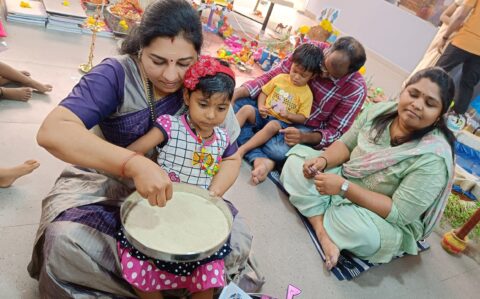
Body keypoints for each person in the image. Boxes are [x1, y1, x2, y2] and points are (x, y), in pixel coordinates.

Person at [28, 1, 255, 298]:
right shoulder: (115, 74)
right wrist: (134, 164)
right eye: (158, 61)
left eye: (184, 63)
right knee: (65, 243)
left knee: (236, 241)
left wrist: (208, 197)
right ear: (139, 48)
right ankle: (164, 283)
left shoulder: (207, 89)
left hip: (183, 195)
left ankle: (156, 280)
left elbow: (231, 156)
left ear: (198, 56)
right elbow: (52, 131)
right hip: (110, 184)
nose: (172, 76)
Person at [280, 67, 455, 270]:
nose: (417, 105)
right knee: (296, 162)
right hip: (340, 181)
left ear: (439, 115)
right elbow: (346, 145)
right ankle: (322, 231)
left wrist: (344, 188)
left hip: (376, 215)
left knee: (363, 235)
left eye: (429, 103)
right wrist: (323, 161)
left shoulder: (433, 158)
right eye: (413, 94)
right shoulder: (380, 112)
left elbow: (399, 213)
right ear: (403, 90)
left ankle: (316, 213)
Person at [117, 56, 239, 298]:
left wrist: (215, 193)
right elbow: (135, 151)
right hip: (161, 207)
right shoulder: (170, 126)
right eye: (203, 104)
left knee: (208, 275)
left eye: (221, 108)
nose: (211, 115)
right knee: (140, 270)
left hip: (198, 214)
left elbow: (232, 161)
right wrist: (140, 169)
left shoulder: (223, 138)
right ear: (187, 97)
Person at [233, 36, 367, 184]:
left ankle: (254, 149)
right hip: (270, 107)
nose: (322, 74)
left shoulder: (356, 89)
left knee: (277, 151)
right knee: (237, 104)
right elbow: (272, 78)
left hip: (302, 125)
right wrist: (238, 92)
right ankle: (261, 158)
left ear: (350, 73)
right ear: (329, 49)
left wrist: (303, 137)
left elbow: (335, 132)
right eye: (323, 66)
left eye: (332, 75)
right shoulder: (310, 50)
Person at [235, 44, 323, 158]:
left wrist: (289, 115)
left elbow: (303, 117)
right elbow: (264, 92)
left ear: (312, 76)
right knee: (246, 109)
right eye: (294, 71)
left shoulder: (307, 94)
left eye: (303, 76)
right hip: (264, 115)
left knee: (272, 125)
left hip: (281, 123)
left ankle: (243, 149)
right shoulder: (281, 78)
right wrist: (261, 106)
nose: (296, 77)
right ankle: (226, 137)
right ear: (291, 64)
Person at [435, 0, 480, 130]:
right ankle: (454, 121)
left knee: (436, 73)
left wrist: (445, 36)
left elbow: (460, 15)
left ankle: (421, 99)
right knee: (467, 85)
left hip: (464, 41)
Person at [409, 0, 464, 78]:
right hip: (444, 36)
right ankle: (411, 83)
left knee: (440, 70)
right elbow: (443, 16)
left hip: (458, 44)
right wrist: (455, 25)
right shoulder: (462, 1)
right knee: (428, 62)